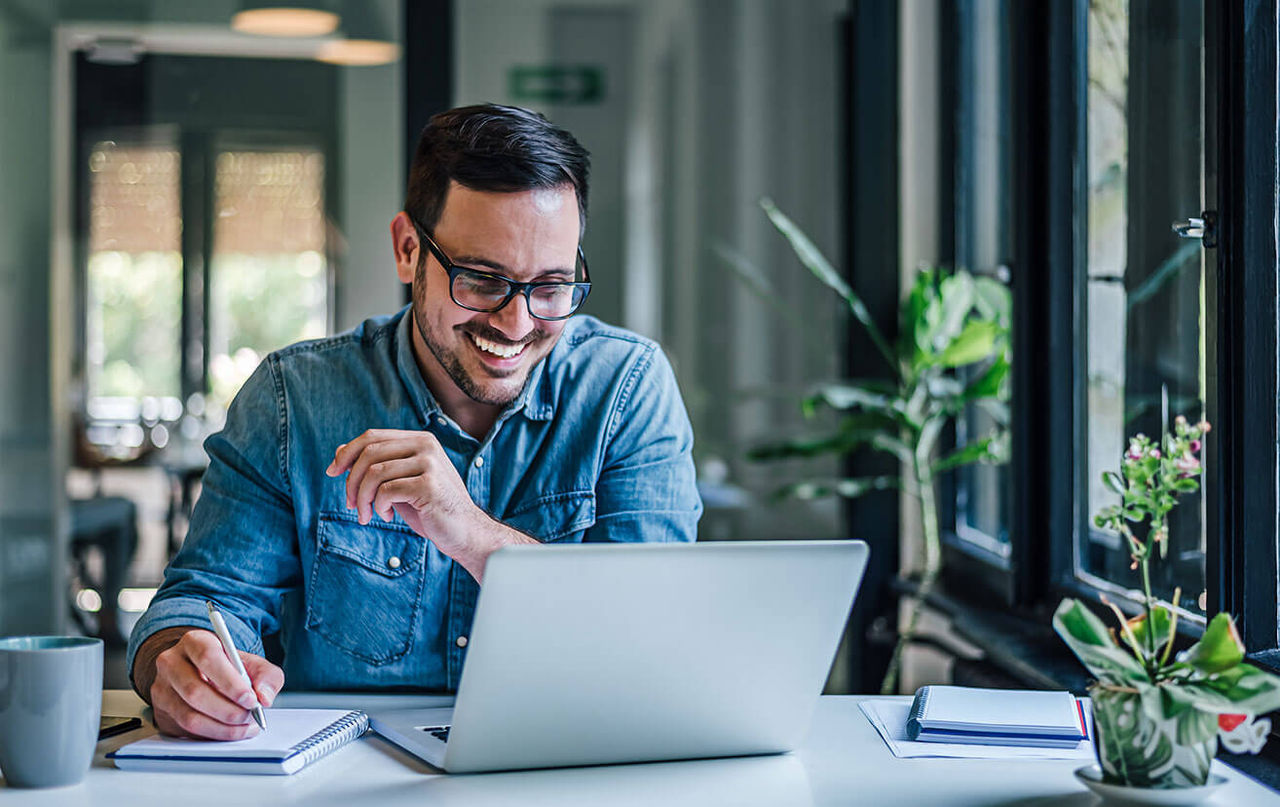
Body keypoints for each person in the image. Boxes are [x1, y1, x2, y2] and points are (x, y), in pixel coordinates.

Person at [126, 104, 702, 741]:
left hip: (565, 766)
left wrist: (472, 534)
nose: (516, 323)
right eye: (481, 279)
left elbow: (652, 634)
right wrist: (181, 665)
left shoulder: (625, 389)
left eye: (551, 286)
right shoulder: (296, 398)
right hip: (344, 778)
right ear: (408, 250)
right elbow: (205, 598)